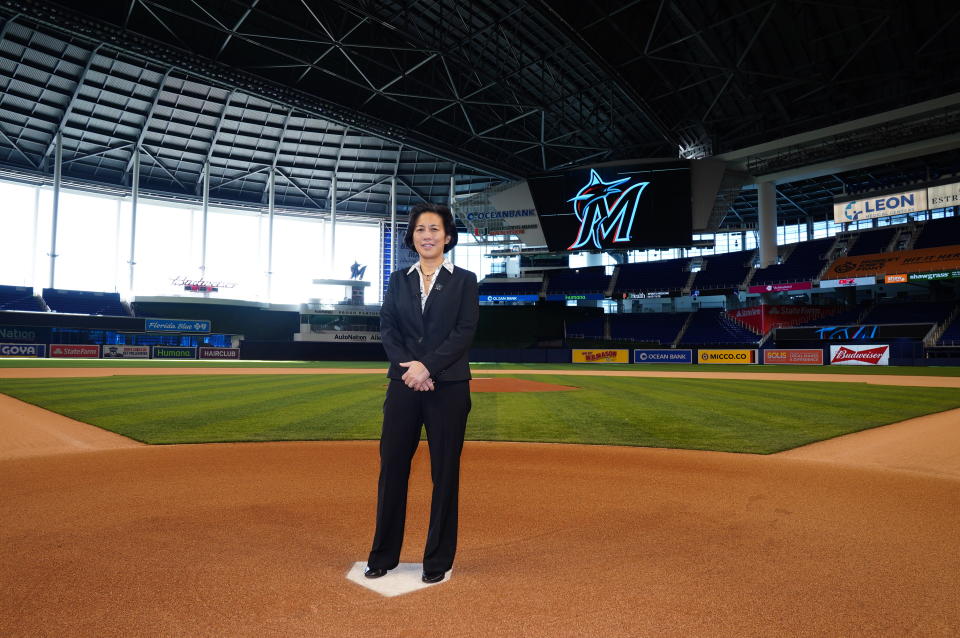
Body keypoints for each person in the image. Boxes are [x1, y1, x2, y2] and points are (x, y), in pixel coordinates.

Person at [364, 202, 479, 584]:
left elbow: (463, 333)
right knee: (392, 469)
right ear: (411, 237)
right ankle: (383, 555)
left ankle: (438, 559)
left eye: (434, 229)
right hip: (403, 386)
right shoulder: (398, 279)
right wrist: (411, 369)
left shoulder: (465, 280)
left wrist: (428, 367)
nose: (427, 235)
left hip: (448, 387)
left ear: (447, 237)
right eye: (419, 229)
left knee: (445, 474)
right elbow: (389, 329)